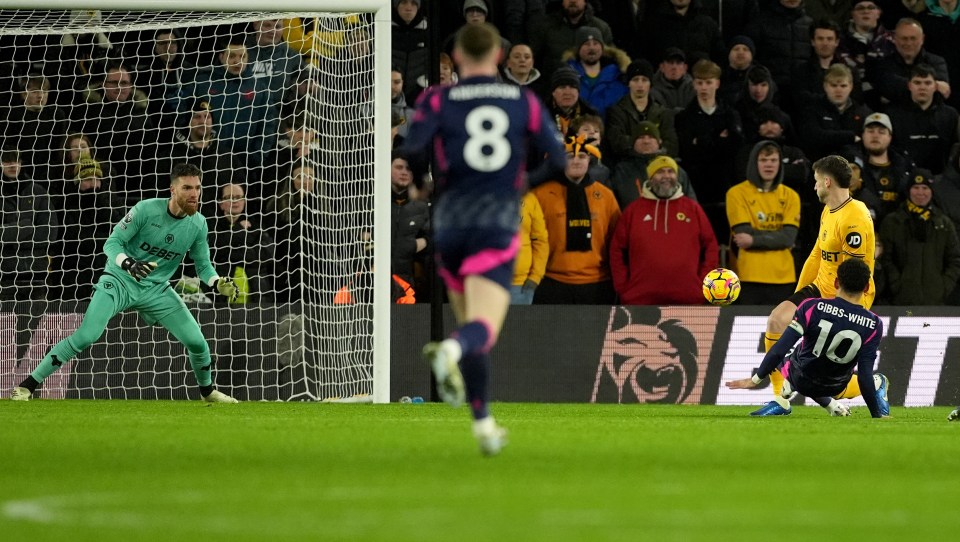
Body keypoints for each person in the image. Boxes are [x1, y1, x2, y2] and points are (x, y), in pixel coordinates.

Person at [400, 23, 565, 455]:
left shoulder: (439, 98)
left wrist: (419, 184)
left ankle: (484, 425)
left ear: (455, 58)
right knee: (481, 330)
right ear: (497, 57)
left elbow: (413, 149)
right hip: (495, 220)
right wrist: (520, 183)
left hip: (450, 221)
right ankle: (449, 352)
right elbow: (559, 158)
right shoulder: (522, 99)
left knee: (469, 323)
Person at [9, 163, 241, 403]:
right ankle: (27, 386)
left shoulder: (198, 224)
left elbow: (203, 266)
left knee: (197, 342)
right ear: (172, 189)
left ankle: (207, 392)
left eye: (198, 188)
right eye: (187, 188)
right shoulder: (145, 210)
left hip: (156, 289)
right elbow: (111, 244)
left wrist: (215, 282)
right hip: (119, 280)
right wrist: (129, 264)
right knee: (86, 336)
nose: (194, 194)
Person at [750, 155, 876, 416]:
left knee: (828, 381)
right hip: (821, 286)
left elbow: (856, 273)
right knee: (777, 319)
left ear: (827, 182)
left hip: (849, 296)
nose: (814, 187)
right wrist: (799, 297)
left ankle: (876, 383)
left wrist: (839, 308)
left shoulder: (855, 219)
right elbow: (818, 254)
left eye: (816, 181)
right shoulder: (829, 209)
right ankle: (780, 400)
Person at [725, 258, 890, 418]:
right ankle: (874, 384)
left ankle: (786, 393)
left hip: (800, 377)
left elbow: (778, 351)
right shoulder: (874, 324)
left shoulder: (812, 307)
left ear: (836, 283)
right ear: (867, 287)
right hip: (837, 386)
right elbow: (864, 375)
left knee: (786, 352)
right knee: (825, 366)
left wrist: (755, 380)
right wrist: (876, 415)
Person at [609, 155, 718, 305]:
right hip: (640, 300)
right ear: (650, 177)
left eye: (670, 172)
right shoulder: (633, 210)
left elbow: (711, 247)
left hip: (689, 299)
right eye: (660, 172)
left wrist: (702, 284)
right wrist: (623, 288)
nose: (666, 176)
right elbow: (617, 250)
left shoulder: (693, 209)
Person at [532, 135, 621, 304]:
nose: (576, 161)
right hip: (551, 283)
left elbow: (616, 241)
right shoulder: (541, 195)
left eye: (582, 156)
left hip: (597, 284)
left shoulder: (606, 196)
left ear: (589, 161)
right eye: (570, 156)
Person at [726, 140, 802, 305]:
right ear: (754, 163)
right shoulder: (736, 194)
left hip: (784, 278)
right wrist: (776, 237)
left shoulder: (791, 196)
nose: (769, 165)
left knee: (781, 331)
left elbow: (788, 238)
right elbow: (742, 236)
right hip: (749, 276)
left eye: (773, 160)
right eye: (763, 160)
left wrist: (754, 239)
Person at [878, 169, 960, 305]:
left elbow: (955, 259)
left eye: (925, 188)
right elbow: (886, 259)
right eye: (915, 187)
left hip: (936, 302)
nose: (920, 192)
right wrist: (897, 285)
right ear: (908, 190)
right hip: (901, 302)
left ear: (932, 191)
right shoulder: (892, 222)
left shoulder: (944, 223)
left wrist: (944, 287)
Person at [0, 148, 58, 302]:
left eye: (16, 160)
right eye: (7, 160)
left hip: (37, 274)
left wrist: (12, 239)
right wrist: (27, 227)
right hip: (4, 275)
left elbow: (49, 233)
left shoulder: (38, 192)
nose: (12, 165)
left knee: (36, 325)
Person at [885, 63, 959, 174]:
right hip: (903, 179)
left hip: (941, 180)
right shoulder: (892, 115)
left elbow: (956, 149)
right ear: (909, 85)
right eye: (917, 82)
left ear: (935, 86)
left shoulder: (950, 115)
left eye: (927, 83)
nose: (922, 87)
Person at [564, 26, 628, 117]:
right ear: (578, 49)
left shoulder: (619, 76)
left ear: (602, 48)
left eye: (595, 43)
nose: (592, 48)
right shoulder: (567, 75)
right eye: (586, 44)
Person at [512, 191, 548, 305]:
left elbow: (540, 240)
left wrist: (535, 277)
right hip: (488, 282)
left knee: (518, 323)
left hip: (520, 285)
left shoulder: (529, 199)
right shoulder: (483, 197)